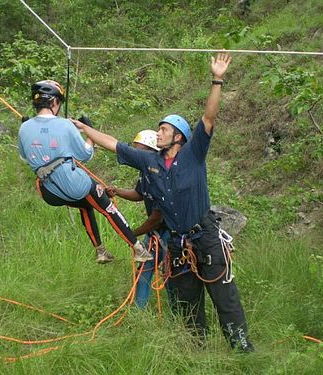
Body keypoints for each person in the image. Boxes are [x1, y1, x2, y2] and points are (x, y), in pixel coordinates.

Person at [72, 53, 254, 352]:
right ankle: (198, 352)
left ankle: (243, 350)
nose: (158, 133)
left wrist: (217, 79)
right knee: (188, 303)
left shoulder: (193, 153)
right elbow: (112, 142)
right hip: (178, 244)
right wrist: (83, 129)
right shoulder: (149, 161)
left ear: (179, 137)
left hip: (205, 237)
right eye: (159, 129)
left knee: (225, 297)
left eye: (164, 130)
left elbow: (208, 118)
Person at [18, 80, 153, 264]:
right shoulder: (65, 125)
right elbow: (86, 154)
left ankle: (101, 251)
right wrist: (90, 134)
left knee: (85, 205)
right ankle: (138, 248)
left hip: (48, 192)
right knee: (107, 207)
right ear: (55, 102)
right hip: (73, 185)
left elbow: (25, 158)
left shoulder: (24, 127)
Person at [106, 130, 171, 309]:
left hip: (169, 233)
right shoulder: (145, 171)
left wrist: (131, 234)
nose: (137, 156)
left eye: (140, 151)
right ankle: (139, 312)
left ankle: (179, 315)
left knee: (170, 274)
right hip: (155, 233)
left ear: (151, 152)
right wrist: (117, 191)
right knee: (144, 270)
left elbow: (156, 218)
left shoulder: (162, 175)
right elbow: (139, 194)